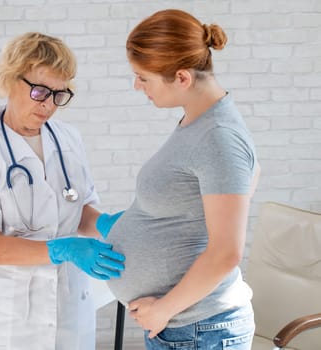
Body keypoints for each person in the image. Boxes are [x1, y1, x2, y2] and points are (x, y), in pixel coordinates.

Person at [0, 32, 125, 350]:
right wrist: (63, 249)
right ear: (9, 79)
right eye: (40, 91)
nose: (48, 105)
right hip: (7, 321)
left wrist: (103, 222)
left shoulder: (68, 138)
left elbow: (76, 202)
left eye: (59, 95)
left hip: (68, 307)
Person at [105, 9, 261, 350]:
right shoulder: (200, 123)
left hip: (201, 328)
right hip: (187, 327)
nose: (137, 85)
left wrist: (163, 310)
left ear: (182, 77)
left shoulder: (218, 136)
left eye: (143, 78)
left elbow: (226, 252)